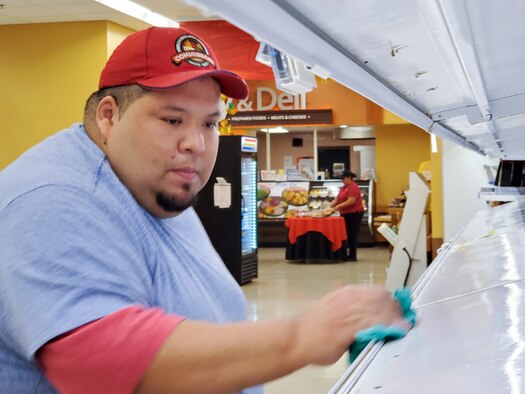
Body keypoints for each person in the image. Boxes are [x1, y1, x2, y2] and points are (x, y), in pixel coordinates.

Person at [0, 26, 407, 393]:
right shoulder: (52, 199)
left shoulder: (153, 183)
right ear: (109, 115)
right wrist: (299, 338)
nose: (196, 143)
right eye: (173, 120)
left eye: (210, 124)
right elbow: (98, 363)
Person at [329, 171, 366, 261]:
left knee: (352, 234)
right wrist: (329, 206)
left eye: (344, 178)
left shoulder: (353, 187)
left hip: (354, 214)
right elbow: (337, 199)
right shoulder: (343, 187)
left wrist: (338, 206)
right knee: (345, 234)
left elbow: (351, 201)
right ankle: (344, 253)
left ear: (349, 178)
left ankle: (352, 255)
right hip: (345, 214)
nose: (342, 180)